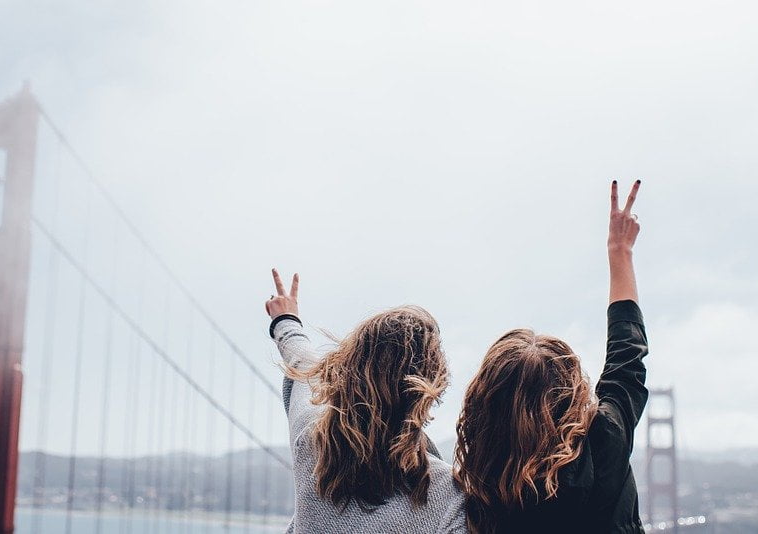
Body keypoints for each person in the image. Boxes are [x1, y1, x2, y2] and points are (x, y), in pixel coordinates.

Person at [453, 179, 649, 534]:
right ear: (571, 391)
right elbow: (627, 360)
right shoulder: (605, 440)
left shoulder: (481, 484)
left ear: (485, 406)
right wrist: (620, 251)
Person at [264, 269, 467, 534]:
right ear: (431, 386)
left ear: (348, 367)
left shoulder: (310, 438)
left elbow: (302, 361)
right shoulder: (451, 496)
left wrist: (286, 319)